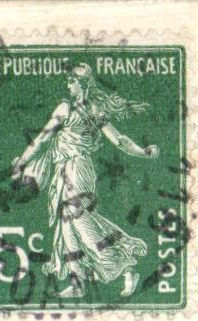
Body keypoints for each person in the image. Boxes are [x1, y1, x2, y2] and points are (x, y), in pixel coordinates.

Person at [10, 63, 159, 300]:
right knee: (69, 225)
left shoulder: (70, 108)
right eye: (68, 80)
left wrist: (20, 162)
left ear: (84, 84)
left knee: (75, 218)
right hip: (66, 170)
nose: (68, 84)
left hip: (75, 169)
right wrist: (143, 152)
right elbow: (118, 140)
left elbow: (42, 138)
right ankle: (77, 282)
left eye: (72, 81)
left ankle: (125, 266)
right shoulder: (91, 109)